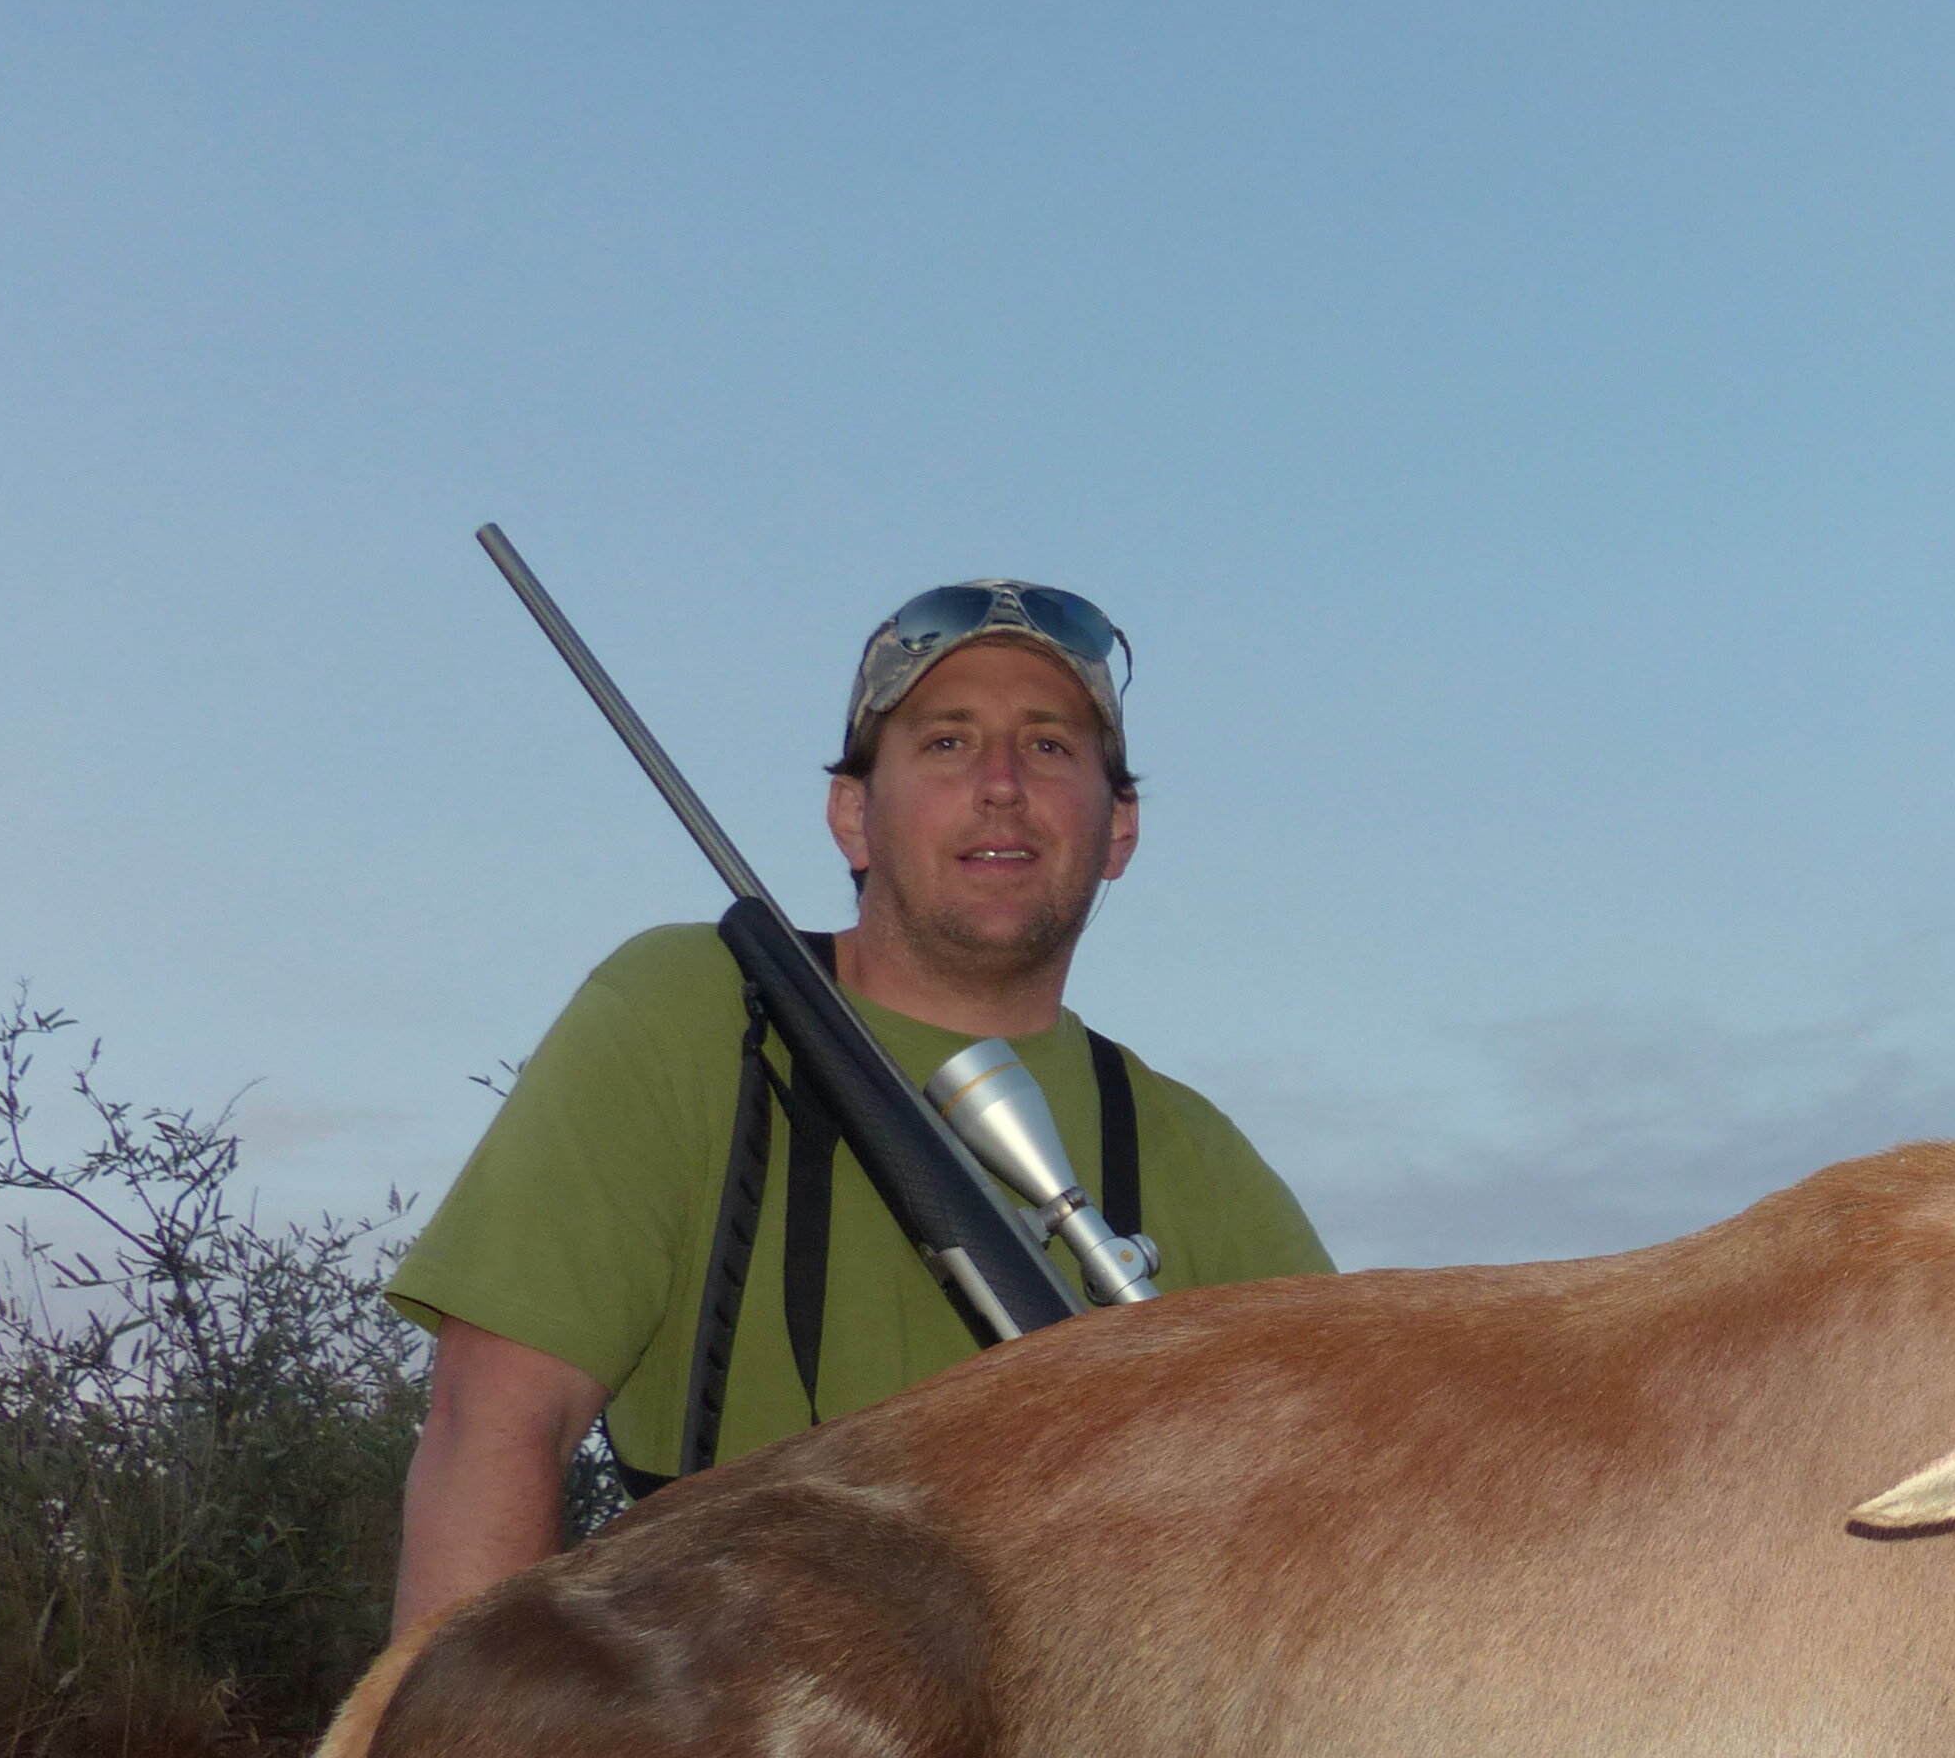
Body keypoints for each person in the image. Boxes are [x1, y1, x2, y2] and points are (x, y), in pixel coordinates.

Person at [385, 581, 1330, 1633]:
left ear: (1119, 832)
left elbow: (1337, 1509)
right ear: (852, 817)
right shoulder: (684, 1009)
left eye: (1052, 747)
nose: (1003, 787)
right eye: (946, 744)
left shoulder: (1196, 1152)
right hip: (727, 1753)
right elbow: (492, 1427)